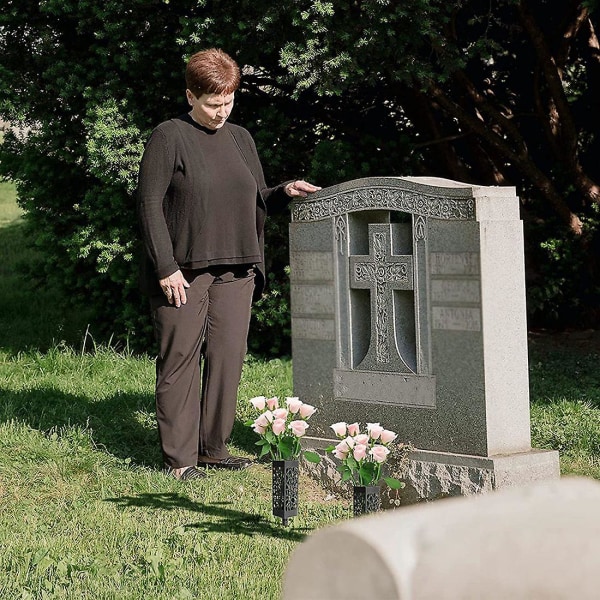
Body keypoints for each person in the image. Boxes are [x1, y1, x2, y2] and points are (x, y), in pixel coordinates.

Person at [137, 48, 320, 480]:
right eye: (213, 104)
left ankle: (212, 449)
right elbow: (148, 206)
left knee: (227, 358)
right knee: (180, 358)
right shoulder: (169, 136)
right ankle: (180, 461)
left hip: (238, 269)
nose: (222, 112)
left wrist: (284, 191)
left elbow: (254, 197)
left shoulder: (241, 138)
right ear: (190, 96)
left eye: (229, 101)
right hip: (184, 270)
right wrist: (165, 266)